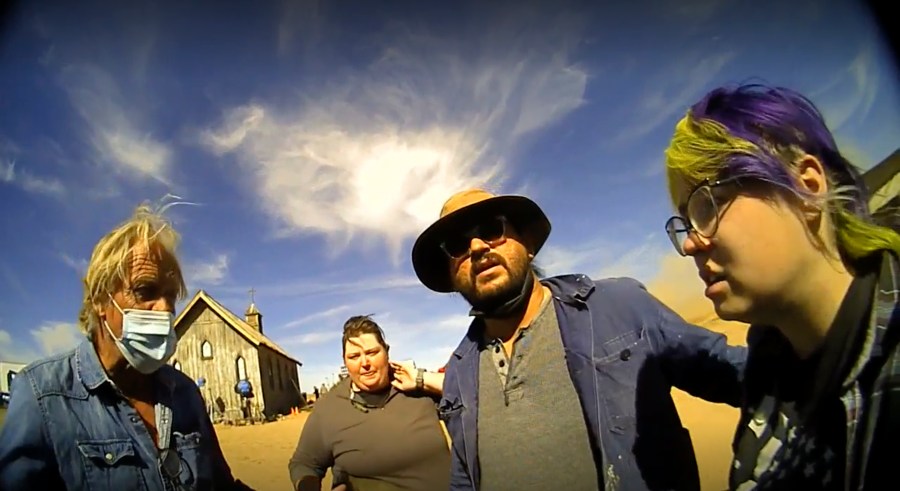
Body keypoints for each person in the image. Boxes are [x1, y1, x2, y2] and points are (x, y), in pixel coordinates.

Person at [410, 188, 749, 490]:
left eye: (490, 230)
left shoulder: (619, 307)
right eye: (457, 245)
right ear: (451, 275)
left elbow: (744, 375)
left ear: (528, 245)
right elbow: (464, 477)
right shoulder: (459, 371)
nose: (476, 247)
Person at [662, 83, 900, 490]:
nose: (689, 244)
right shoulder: (769, 362)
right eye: (685, 221)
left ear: (806, 186)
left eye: (706, 205)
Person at [0, 201, 251, 490]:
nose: (165, 309)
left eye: (171, 296)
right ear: (100, 300)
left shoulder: (185, 393)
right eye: (145, 291)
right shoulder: (43, 395)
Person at [288, 315, 450, 491]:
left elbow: (469, 392)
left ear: (386, 351)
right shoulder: (329, 408)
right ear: (344, 361)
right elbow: (304, 463)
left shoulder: (418, 389)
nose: (364, 363)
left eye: (372, 353)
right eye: (354, 356)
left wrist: (422, 378)